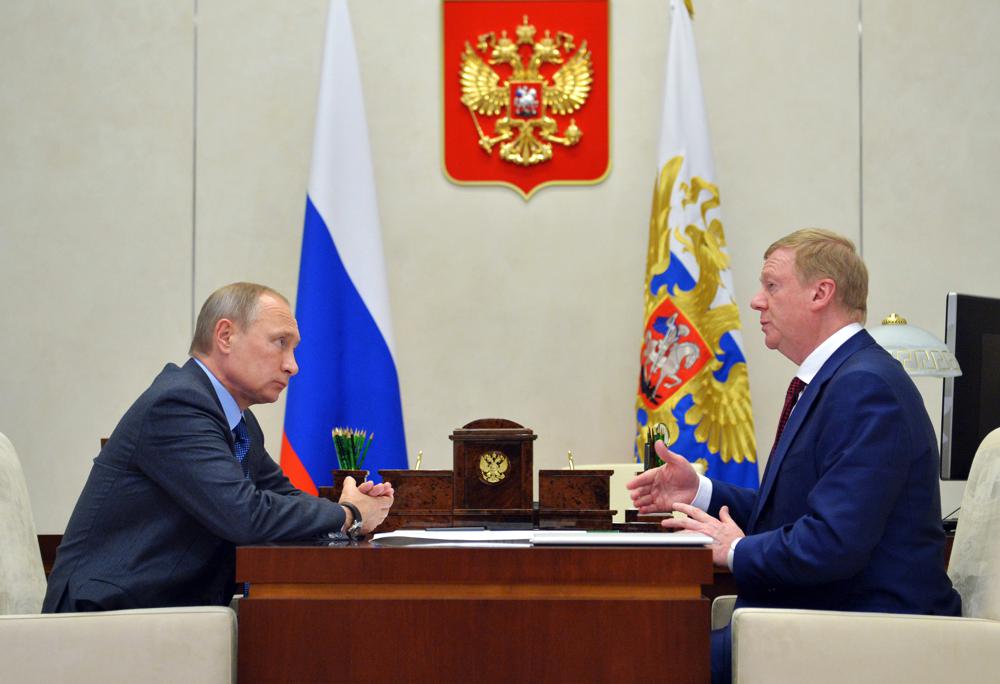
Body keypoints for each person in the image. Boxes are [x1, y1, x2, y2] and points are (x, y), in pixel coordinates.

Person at [627, 229, 960, 683]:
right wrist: (700, 491)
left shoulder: (866, 388)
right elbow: (799, 513)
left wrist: (737, 549)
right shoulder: (840, 378)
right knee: (644, 644)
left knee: (641, 658)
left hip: (864, 631)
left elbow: (832, 545)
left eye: (771, 285)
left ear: (821, 293)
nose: (756, 302)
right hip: (819, 616)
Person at [43, 282, 394, 612]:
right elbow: (243, 515)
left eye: (294, 349)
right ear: (225, 336)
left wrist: (346, 513)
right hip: (109, 615)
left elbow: (281, 496)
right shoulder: (177, 405)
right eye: (279, 342)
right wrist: (349, 514)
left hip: (168, 612)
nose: (293, 365)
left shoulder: (237, 421)